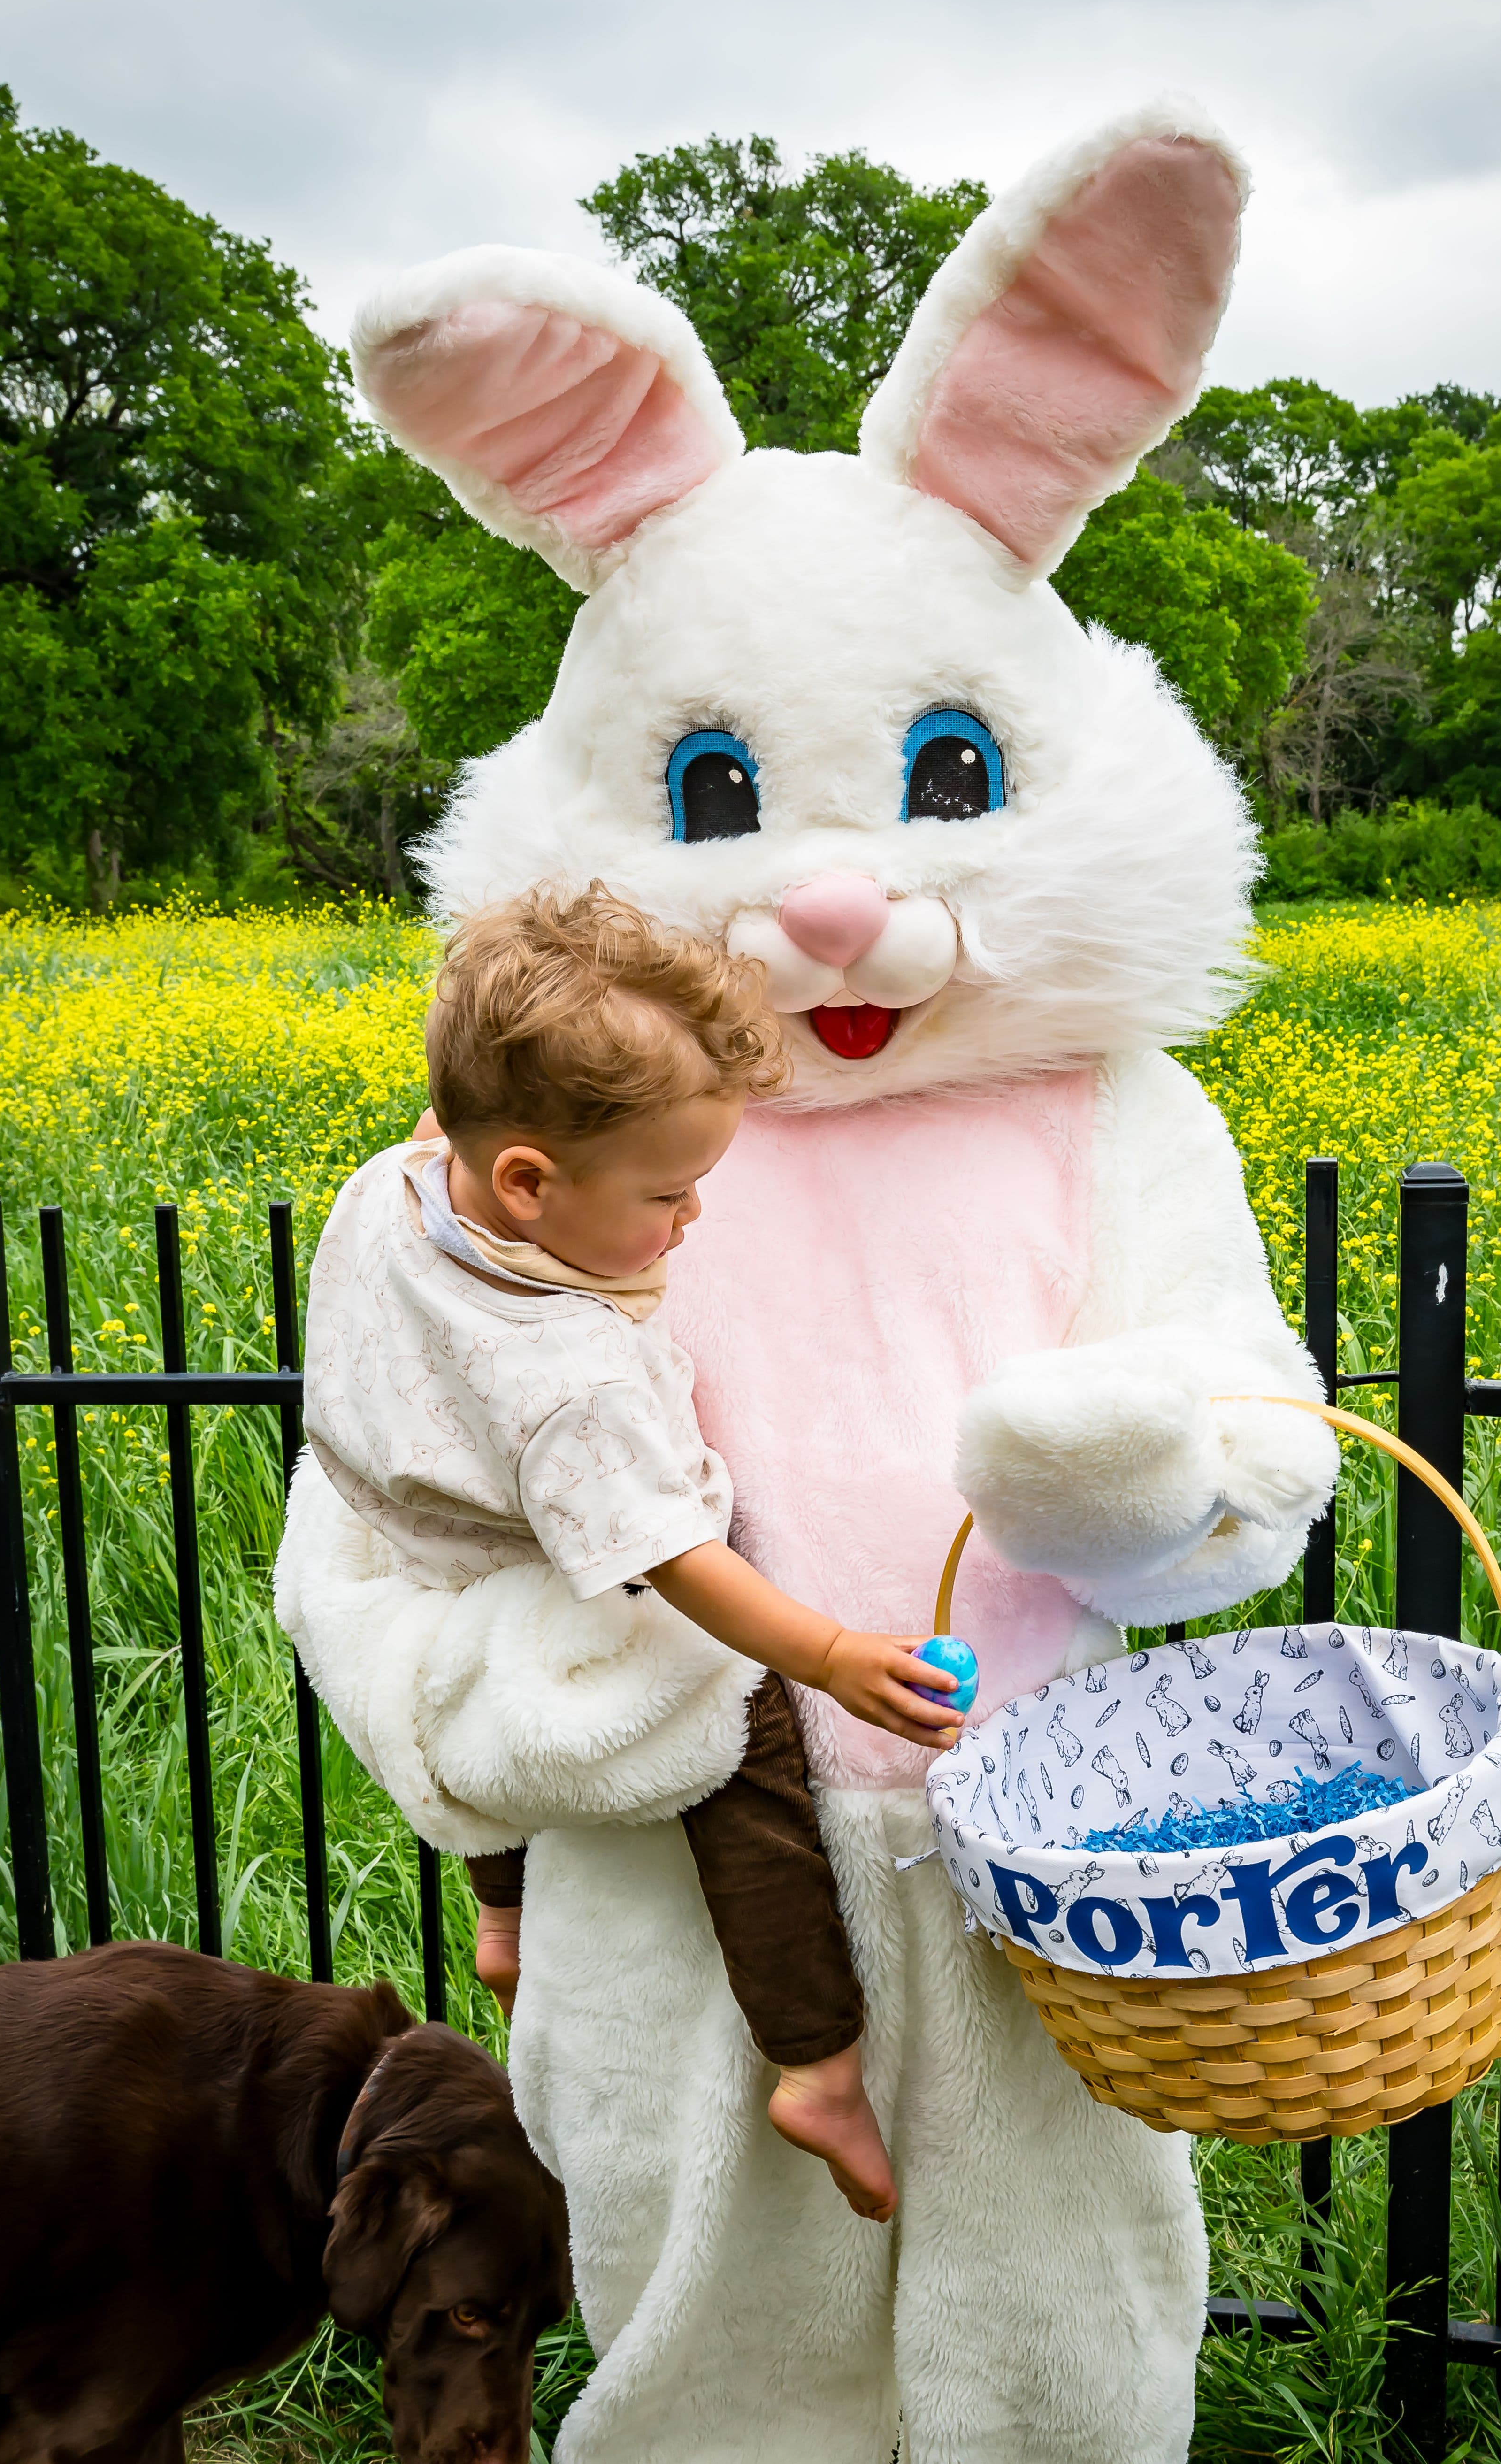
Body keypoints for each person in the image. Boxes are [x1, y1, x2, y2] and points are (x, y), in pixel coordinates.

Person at [301, 883, 964, 2222]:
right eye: (669, 1193)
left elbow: (456, 1111)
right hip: (510, 1553)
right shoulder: (570, 1378)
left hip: (390, 1525)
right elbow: (670, 1558)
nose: (690, 1222)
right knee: (736, 1741)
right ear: (533, 1184)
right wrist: (827, 1653)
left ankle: (504, 1913)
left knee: (460, 1673)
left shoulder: (413, 1180)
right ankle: (818, 2065)